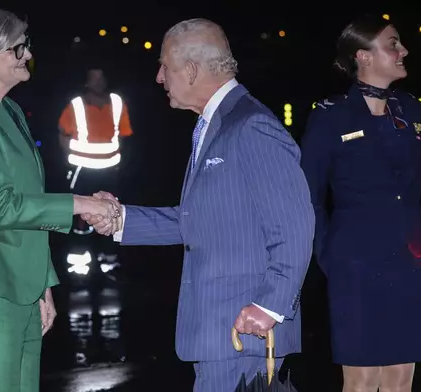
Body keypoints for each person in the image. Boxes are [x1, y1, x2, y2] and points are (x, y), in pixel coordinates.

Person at [85, 18, 314, 391]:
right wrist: (120, 218)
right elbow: (198, 220)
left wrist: (270, 306)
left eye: (165, 66)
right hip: (218, 335)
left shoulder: (251, 126)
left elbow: (295, 226)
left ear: (191, 70)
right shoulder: (214, 125)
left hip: (245, 334)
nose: (160, 77)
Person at [0, 7, 121, 392]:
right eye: (17, 49)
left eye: (26, 46)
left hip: (20, 284)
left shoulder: (9, 110)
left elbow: (28, 203)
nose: (28, 56)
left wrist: (42, 285)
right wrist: (82, 204)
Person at [300, 15, 421, 392]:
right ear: (363, 56)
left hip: (410, 260)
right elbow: (308, 195)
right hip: (355, 263)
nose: (403, 50)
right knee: (360, 378)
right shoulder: (331, 115)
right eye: (392, 43)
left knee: (400, 376)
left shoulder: (412, 111)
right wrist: (328, 253)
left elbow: (410, 189)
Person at [59, 67, 133, 238]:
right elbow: (62, 133)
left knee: (110, 210)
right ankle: (80, 246)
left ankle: (108, 251)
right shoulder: (76, 105)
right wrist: (67, 160)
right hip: (83, 169)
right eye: (94, 79)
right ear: (87, 82)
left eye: (101, 78)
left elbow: (125, 135)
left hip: (110, 170)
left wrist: (121, 162)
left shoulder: (116, 102)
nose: (98, 83)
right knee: (81, 212)